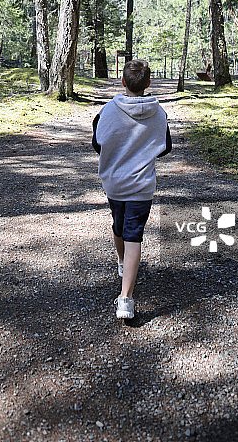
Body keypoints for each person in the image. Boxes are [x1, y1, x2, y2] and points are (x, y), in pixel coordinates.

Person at [92, 59, 172, 320]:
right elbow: (166, 146)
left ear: (123, 82)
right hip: (141, 185)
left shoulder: (107, 111)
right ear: (148, 83)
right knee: (133, 234)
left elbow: (97, 143)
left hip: (114, 182)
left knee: (119, 226)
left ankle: (122, 264)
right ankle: (125, 299)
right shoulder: (158, 113)